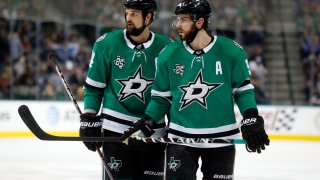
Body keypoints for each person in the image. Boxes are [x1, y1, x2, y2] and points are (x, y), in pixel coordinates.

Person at [121, 0, 270, 179]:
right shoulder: (168, 55)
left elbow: (242, 90)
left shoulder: (232, 51)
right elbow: (161, 98)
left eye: (184, 20)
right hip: (180, 139)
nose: (178, 25)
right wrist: (147, 122)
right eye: (177, 20)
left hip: (221, 140)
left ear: (199, 22)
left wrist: (251, 116)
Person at [79, 0, 172, 179]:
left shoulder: (167, 48)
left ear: (149, 17)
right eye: (127, 13)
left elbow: (172, 95)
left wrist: (173, 125)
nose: (128, 18)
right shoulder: (106, 43)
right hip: (115, 131)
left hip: (152, 132)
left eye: (134, 14)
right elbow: (93, 87)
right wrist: (89, 117)